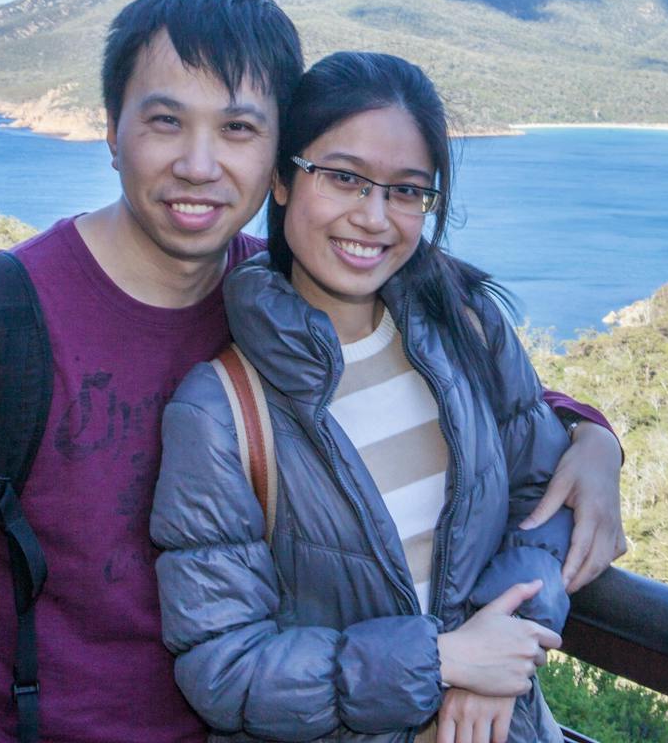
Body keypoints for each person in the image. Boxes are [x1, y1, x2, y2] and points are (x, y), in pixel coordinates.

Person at [0, 0, 625, 743]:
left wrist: (592, 437)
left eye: (238, 129)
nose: (200, 165)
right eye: (166, 121)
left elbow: (454, 389)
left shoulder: (273, 296)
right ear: (111, 129)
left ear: (276, 159)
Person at [153, 51, 576, 743]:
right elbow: (223, 667)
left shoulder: (465, 324)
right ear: (285, 180)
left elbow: (544, 498)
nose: (374, 217)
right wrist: (441, 661)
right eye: (344, 178)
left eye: (407, 190)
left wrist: (508, 637)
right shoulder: (222, 410)